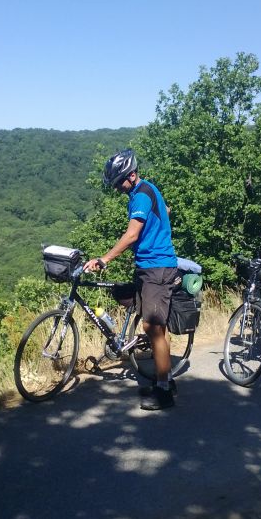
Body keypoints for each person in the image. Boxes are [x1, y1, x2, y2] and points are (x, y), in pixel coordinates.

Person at [83, 149, 178, 410]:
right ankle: (165, 379)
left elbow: (132, 234)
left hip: (157, 268)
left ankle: (164, 392)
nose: (116, 188)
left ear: (132, 175)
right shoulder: (144, 191)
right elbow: (165, 210)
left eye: (118, 182)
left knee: (152, 327)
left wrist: (104, 259)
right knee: (156, 327)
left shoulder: (141, 196)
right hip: (150, 266)